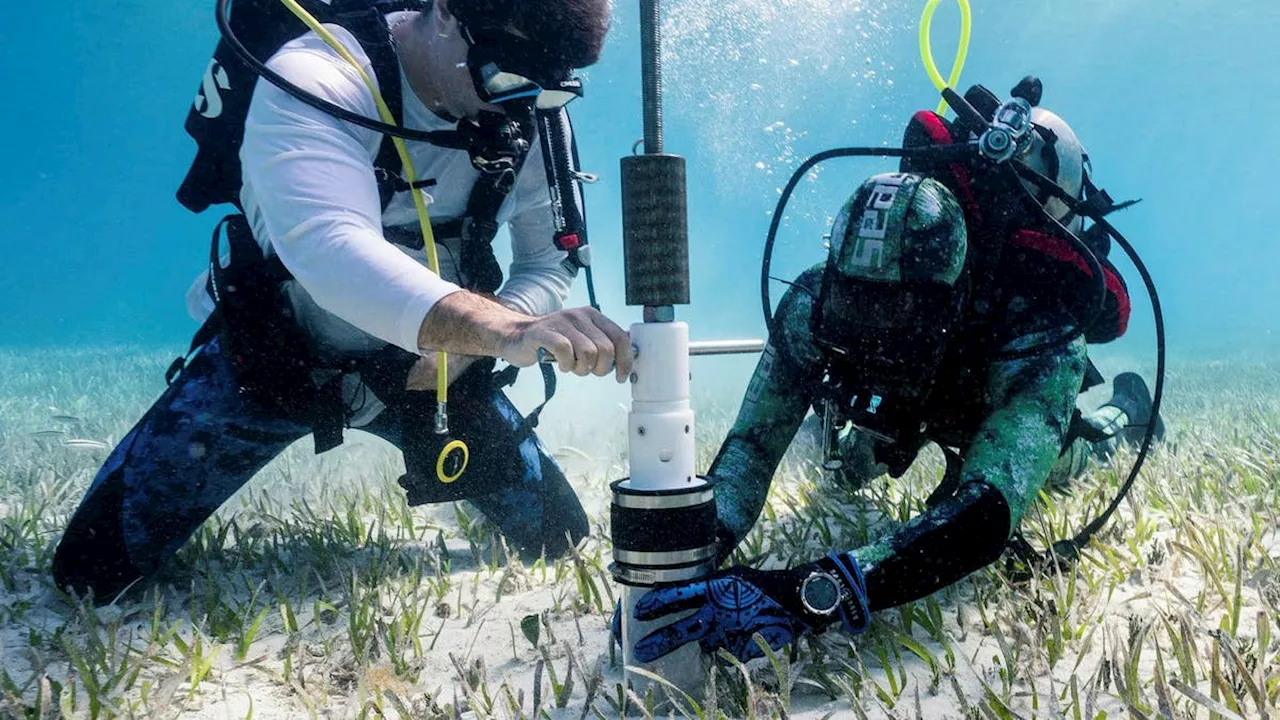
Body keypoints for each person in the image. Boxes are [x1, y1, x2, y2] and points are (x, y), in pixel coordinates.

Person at [52, 0, 633, 600]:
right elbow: (333, 255)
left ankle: (457, 475)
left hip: (436, 375)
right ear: (440, 12)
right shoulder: (316, 75)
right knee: (88, 578)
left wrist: (470, 348)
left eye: (548, 90)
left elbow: (549, 258)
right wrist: (506, 332)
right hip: (275, 362)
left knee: (557, 539)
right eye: (503, 72)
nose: (512, 106)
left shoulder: (528, 108)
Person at [627, 101, 1163, 663]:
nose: (871, 338)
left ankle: (1126, 410)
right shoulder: (811, 304)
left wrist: (812, 591)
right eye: (852, 307)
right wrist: (692, 556)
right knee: (845, 464)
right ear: (834, 275)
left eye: (894, 318)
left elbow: (987, 515)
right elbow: (754, 446)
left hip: (978, 399)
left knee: (1063, 463)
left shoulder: (1038, 336)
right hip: (898, 412)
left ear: (952, 300)